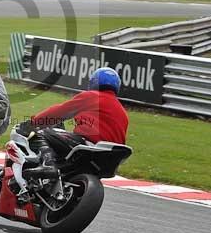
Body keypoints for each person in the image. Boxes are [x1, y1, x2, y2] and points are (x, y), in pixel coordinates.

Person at [14, 67, 129, 201]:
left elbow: (59, 112)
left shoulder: (91, 96)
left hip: (87, 145)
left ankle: (48, 165)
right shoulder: (123, 112)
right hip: (106, 158)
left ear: (94, 82)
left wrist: (33, 123)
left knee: (40, 133)